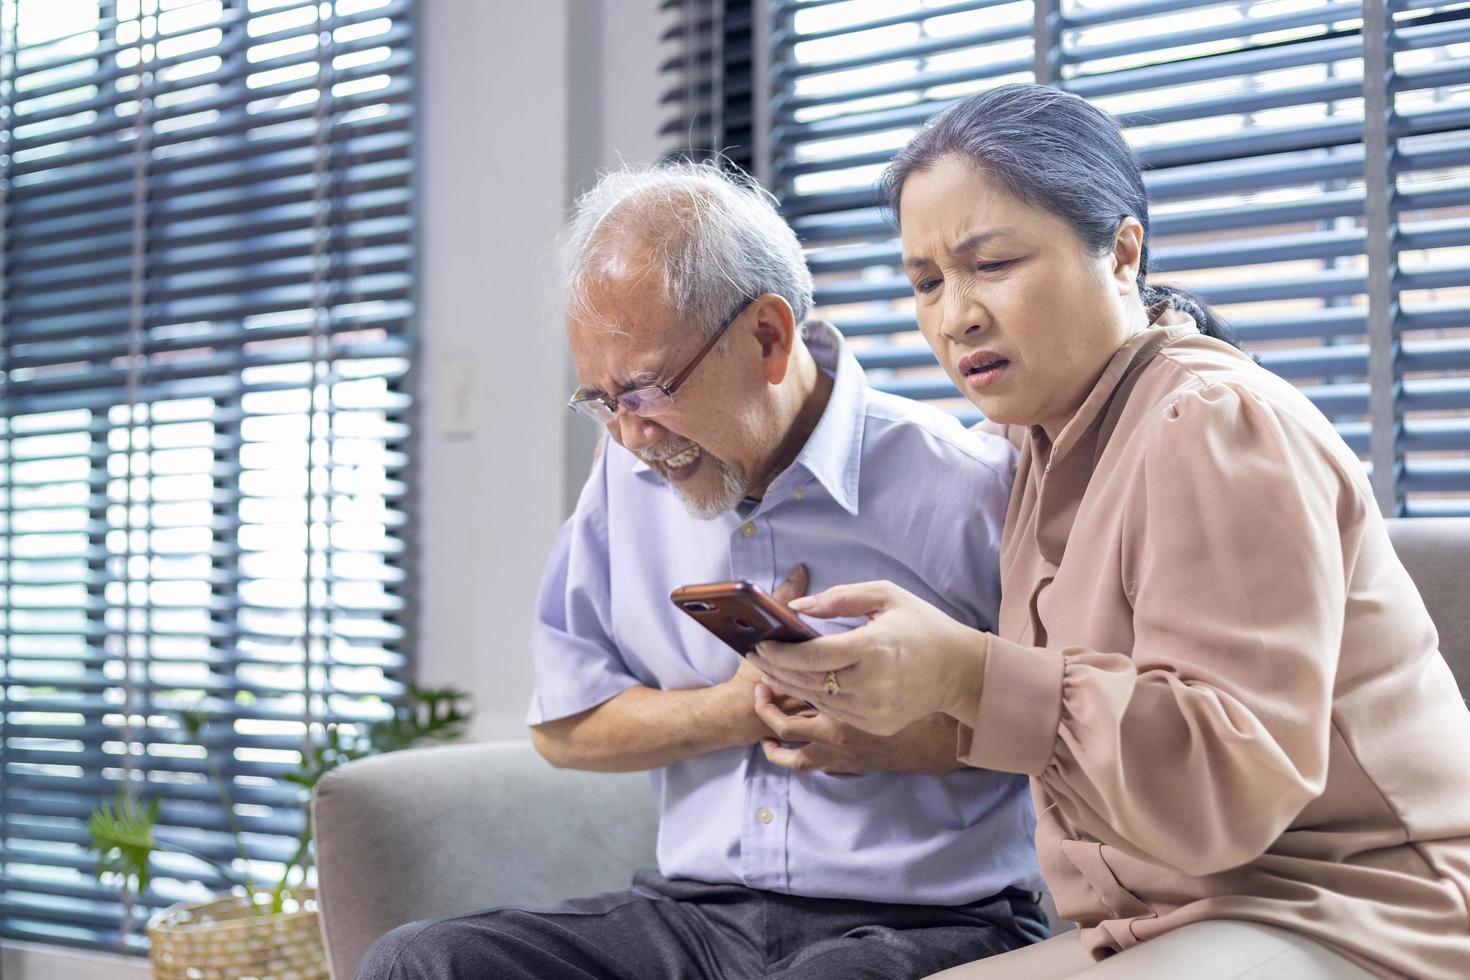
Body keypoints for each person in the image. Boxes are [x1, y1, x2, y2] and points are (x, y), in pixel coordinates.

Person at [749, 84, 1470, 980]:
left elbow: (1228, 784)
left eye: (994, 264)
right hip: (1162, 923)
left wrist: (964, 673)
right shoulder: (1037, 444)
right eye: (927, 281)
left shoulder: (1215, 422)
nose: (955, 314)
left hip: (1357, 914)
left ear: (1122, 252)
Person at [356, 161, 1046, 980]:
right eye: (602, 401)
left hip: (930, 921)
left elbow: (1070, 732)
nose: (630, 438)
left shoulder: (968, 487)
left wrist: (905, 734)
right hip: (695, 919)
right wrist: (739, 710)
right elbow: (566, 727)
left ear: (768, 335)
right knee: (420, 962)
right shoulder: (624, 479)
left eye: (648, 389)